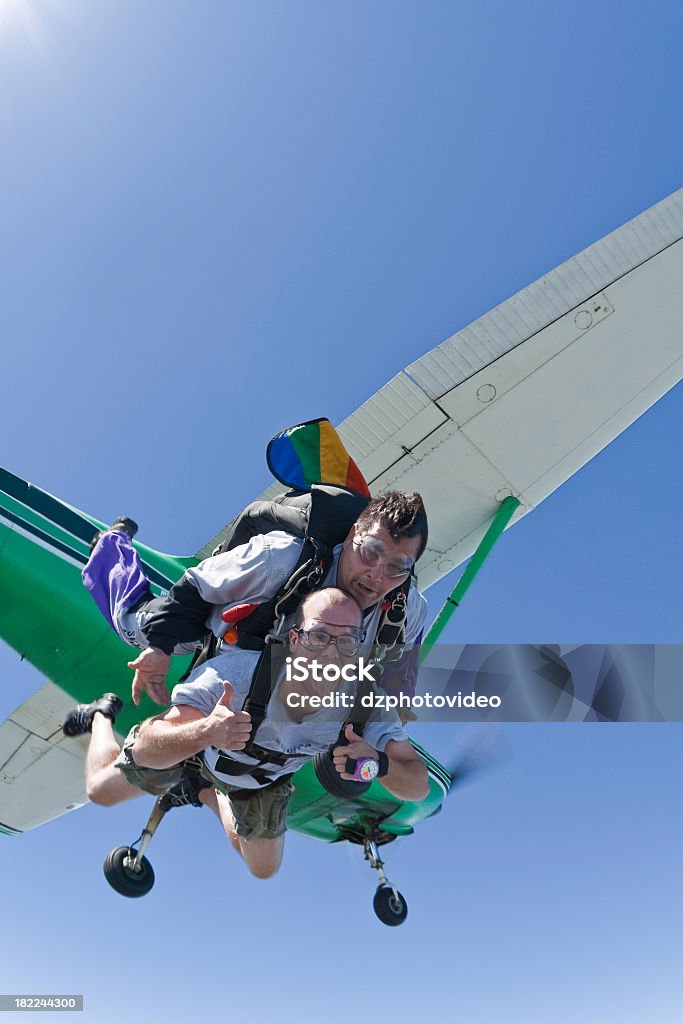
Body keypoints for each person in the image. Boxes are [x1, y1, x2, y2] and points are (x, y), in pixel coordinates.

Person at [64, 587, 429, 879]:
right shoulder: (235, 675)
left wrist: (378, 763)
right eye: (319, 636)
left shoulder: (364, 702)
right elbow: (147, 748)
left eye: (348, 641)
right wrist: (204, 732)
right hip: (199, 744)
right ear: (295, 639)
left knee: (263, 868)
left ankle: (207, 790)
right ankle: (101, 715)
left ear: (359, 648)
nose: (331, 653)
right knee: (100, 790)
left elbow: (417, 786)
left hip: (260, 779)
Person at [83, 491, 429, 710]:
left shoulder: (407, 611)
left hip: (265, 665)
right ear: (354, 534)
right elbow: (194, 588)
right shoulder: (279, 557)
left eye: (398, 566)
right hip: (215, 617)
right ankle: (111, 545)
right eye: (371, 552)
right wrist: (159, 648)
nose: (377, 576)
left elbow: (397, 677)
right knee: (134, 627)